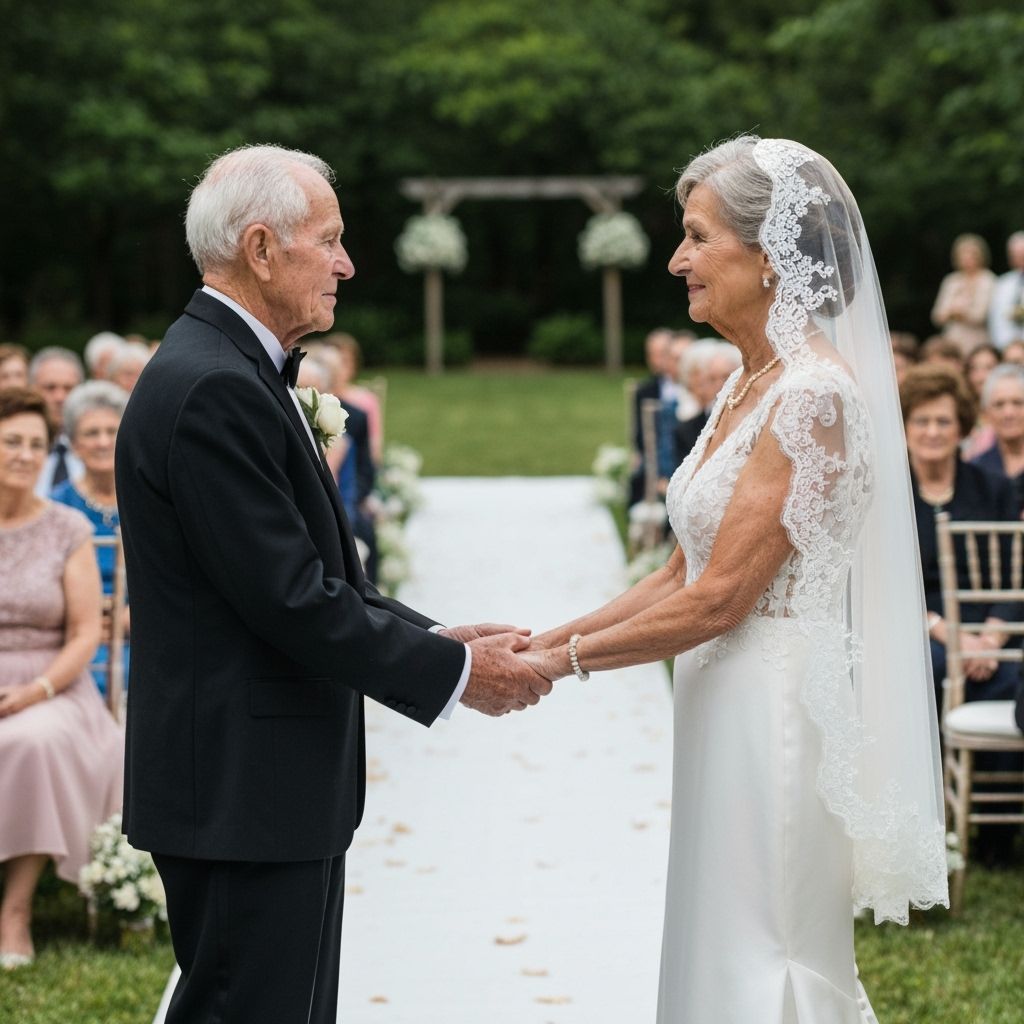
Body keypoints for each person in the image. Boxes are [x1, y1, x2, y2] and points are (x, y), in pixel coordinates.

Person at [115, 144, 551, 1024]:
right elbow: (289, 600)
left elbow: (313, 574)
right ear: (262, 248)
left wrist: (436, 638)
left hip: (264, 787)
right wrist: (459, 677)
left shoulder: (234, 368)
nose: (347, 265)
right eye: (330, 241)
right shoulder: (213, 387)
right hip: (239, 788)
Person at [521, 136, 947, 1023]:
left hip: (774, 707)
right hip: (721, 697)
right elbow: (681, 568)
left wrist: (562, 666)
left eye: (696, 236)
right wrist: (543, 639)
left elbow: (722, 599)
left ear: (769, 256)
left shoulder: (813, 398)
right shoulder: (751, 383)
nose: (678, 260)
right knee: (718, 934)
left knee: (767, 944)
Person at [0, 387, 123, 970]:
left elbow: (84, 632)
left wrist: (35, 691)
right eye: (11, 442)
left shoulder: (66, 527)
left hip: (54, 684)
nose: (24, 455)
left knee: (32, 740)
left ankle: (15, 910)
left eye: (35, 444)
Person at [51, 381, 131, 696]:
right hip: (72, 637)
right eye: (91, 433)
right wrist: (86, 620)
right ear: (73, 443)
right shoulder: (56, 505)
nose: (103, 442)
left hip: (141, 633)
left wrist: (131, 617)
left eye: (112, 431)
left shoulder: (149, 499)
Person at [28, 347, 84, 495]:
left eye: (68, 388)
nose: (60, 397)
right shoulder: (13, 446)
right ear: (31, 390)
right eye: (50, 388)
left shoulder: (102, 444)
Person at [931, 233, 997, 355]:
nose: (967, 259)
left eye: (972, 255)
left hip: (978, 340)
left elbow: (981, 315)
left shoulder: (988, 280)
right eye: (963, 255)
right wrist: (952, 313)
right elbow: (937, 315)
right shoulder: (951, 280)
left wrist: (959, 314)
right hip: (952, 340)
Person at [971, 363, 1024, 515]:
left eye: (1017, 403)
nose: (1008, 413)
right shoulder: (976, 470)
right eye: (999, 404)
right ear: (986, 413)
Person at [322, 333, 383, 463]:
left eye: (345, 362)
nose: (338, 368)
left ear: (354, 365)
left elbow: (374, 447)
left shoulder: (366, 400)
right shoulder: (316, 396)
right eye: (335, 362)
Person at [962, 343, 1001, 458]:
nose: (981, 377)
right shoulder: (963, 412)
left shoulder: (1013, 412)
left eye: (989, 368)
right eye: (975, 369)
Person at [987, 231, 1024, 351]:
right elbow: (995, 318)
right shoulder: (1003, 283)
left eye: (1022, 254)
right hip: (1007, 347)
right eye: (1016, 256)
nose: (1020, 260)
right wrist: (1005, 345)